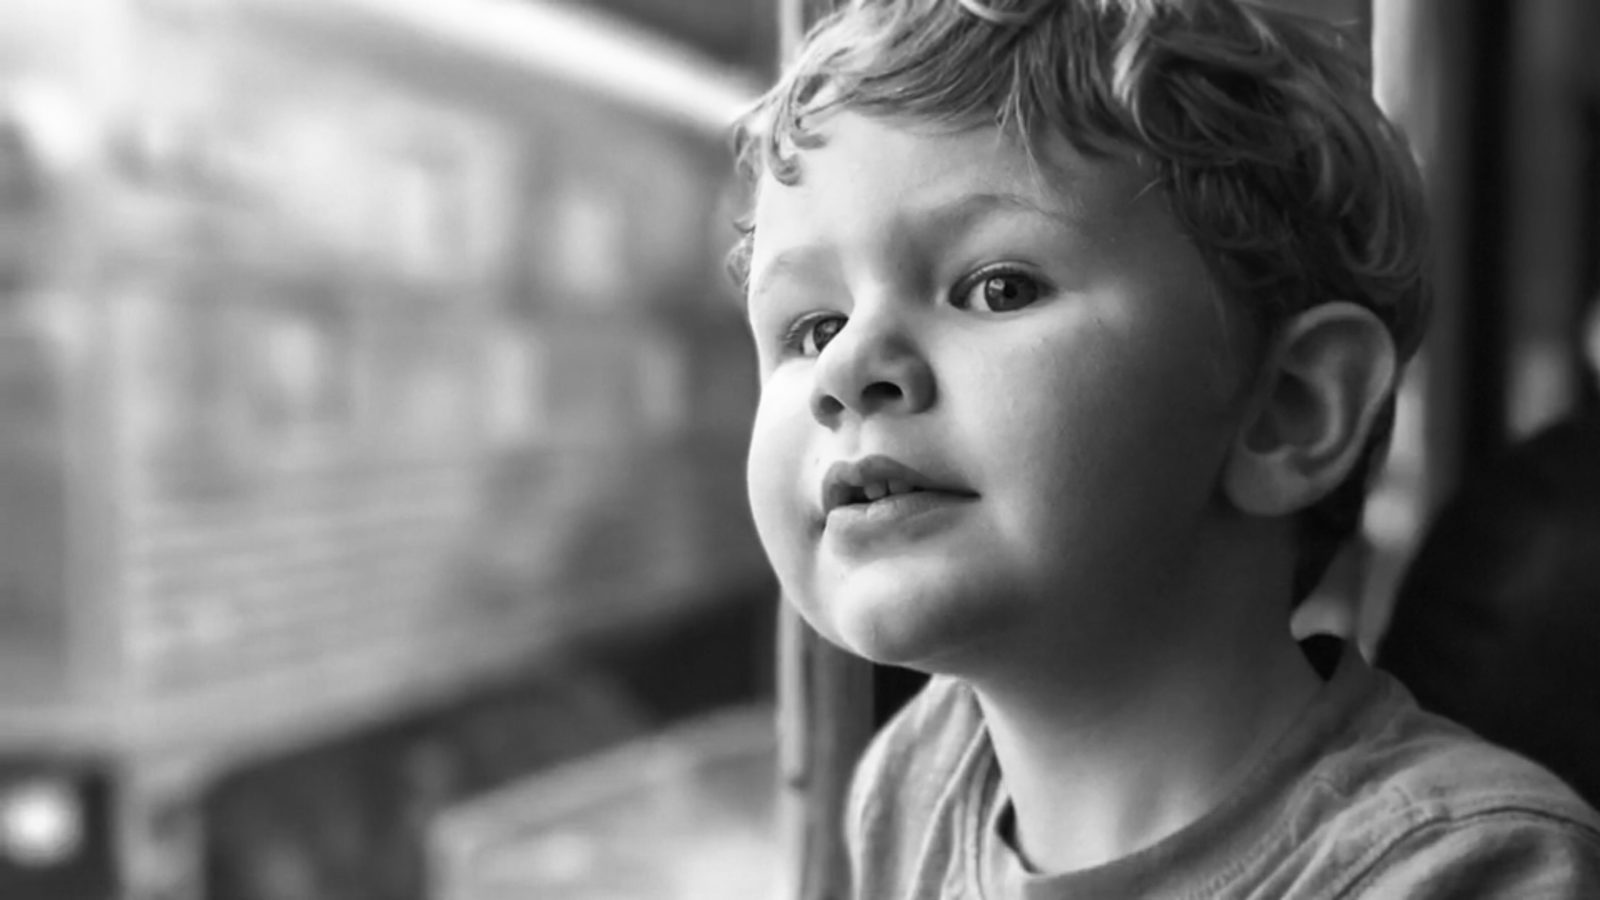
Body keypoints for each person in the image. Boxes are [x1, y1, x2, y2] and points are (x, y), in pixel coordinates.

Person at [729, 0, 1600, 896]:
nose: (845, 369)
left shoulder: (1466, 875)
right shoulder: (917, 781)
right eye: (813, 328)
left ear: (1291, 409)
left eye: (998, 288)